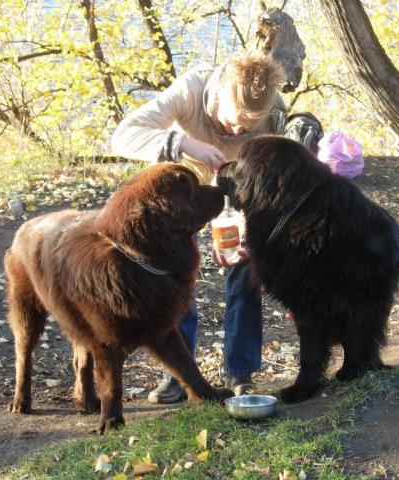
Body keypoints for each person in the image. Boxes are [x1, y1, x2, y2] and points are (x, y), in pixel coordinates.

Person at [110, 51, 287, 403]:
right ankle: (178, 374)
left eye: (247, 129)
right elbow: (123, 135)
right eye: (233, 122)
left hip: (237, 201)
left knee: (246, 270)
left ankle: (240, 370)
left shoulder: (273, 110)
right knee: (175, 277)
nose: (237, 132)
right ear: (219, 94)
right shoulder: (190, 90)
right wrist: (182, 142)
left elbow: (272, 176)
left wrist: (251, 228)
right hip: (183, 200)